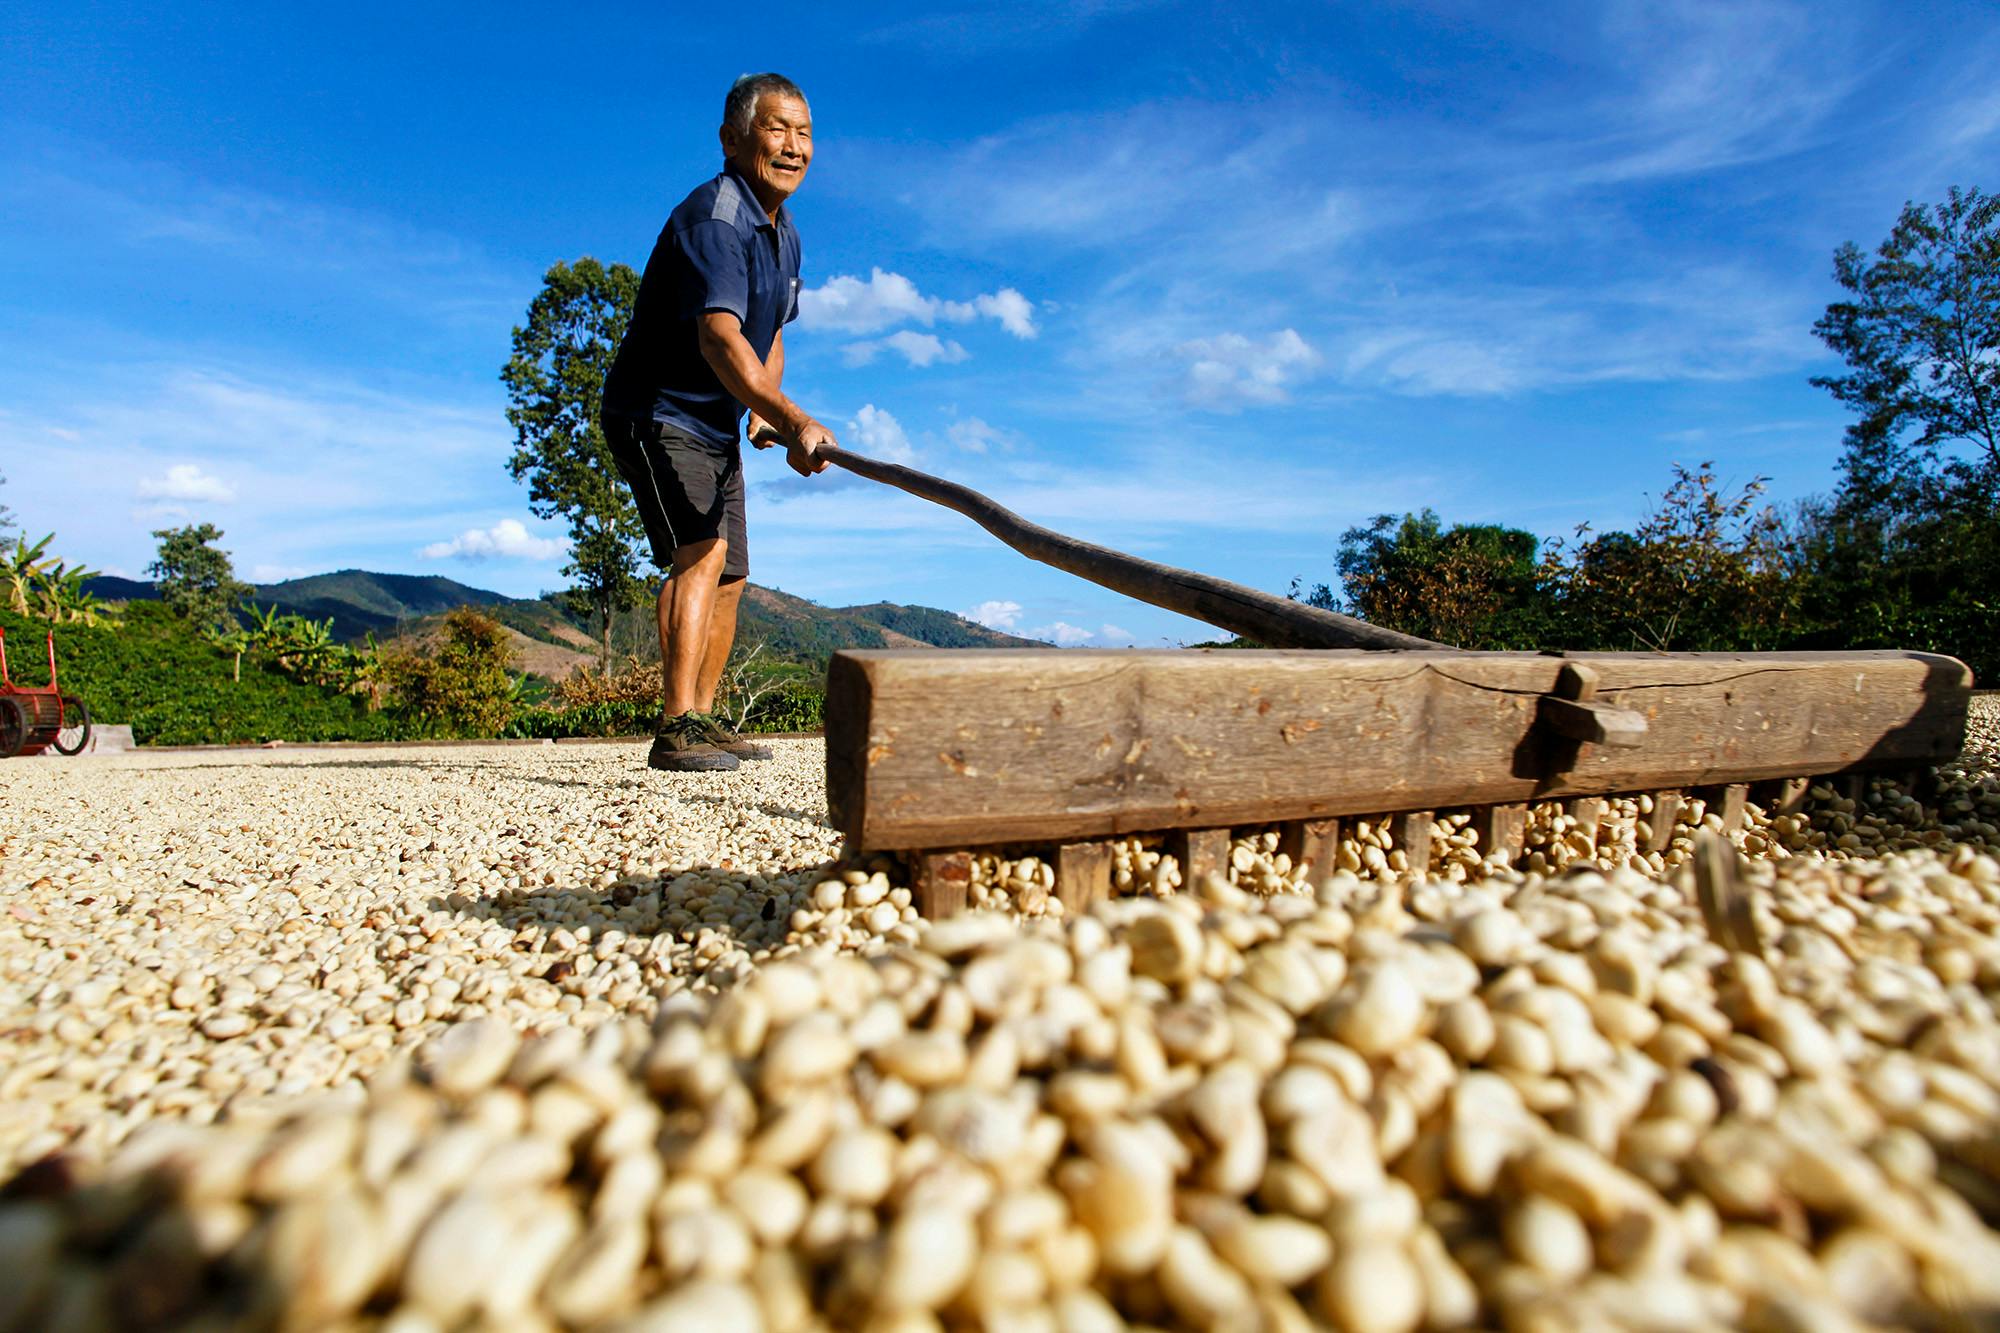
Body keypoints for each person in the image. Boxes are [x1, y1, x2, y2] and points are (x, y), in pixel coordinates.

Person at [600, 72, 835, 772]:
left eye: (805, 132)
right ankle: (676, 725)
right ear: (733, 139)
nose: (793, 146)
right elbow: (719, 339)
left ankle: (703, 715)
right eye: (777, 129)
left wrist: (766, 414)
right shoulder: (715, 217)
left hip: (715, 423)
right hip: (657, 410)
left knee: (731, 572)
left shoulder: (782, 232)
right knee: (699, 552)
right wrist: (793, 418)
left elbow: (770, 335)